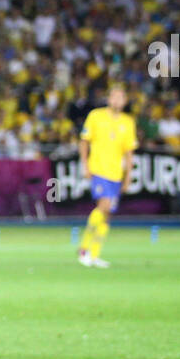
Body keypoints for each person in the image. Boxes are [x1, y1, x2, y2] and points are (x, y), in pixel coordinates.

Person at [77, 83, 136, 268]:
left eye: (121, 97)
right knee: (104, 205)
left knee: (108, 214)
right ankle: (83, 249)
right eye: (114, 96)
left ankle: (94, 255)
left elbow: (129, 153)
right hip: (99, 170)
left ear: (125, 101)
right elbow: (84, 141)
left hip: (116, 174)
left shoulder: (128, 122)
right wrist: (85, 165)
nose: (117, 100)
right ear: (109, 98)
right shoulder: (96, 116)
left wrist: (128, 177)